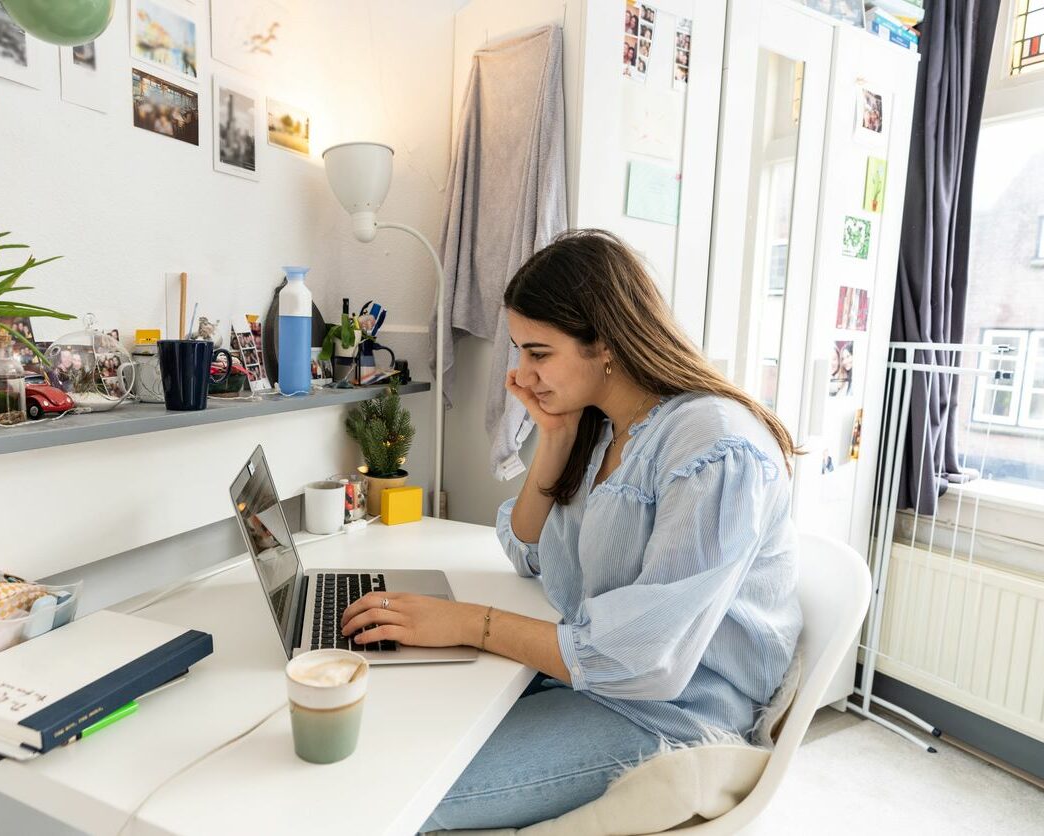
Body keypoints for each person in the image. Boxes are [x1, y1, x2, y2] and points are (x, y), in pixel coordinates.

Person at [339, 229, 803, 831]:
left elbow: (648, 660)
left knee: (394, 790)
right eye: (519, 352)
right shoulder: (612, 427)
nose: (522, 374)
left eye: (537, 352)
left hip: (671, 710)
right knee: (393, 718)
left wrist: (469, 624)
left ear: (604, 342)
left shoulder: (712, 444)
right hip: (601, 678)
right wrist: (554, 437)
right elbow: (526, 551)